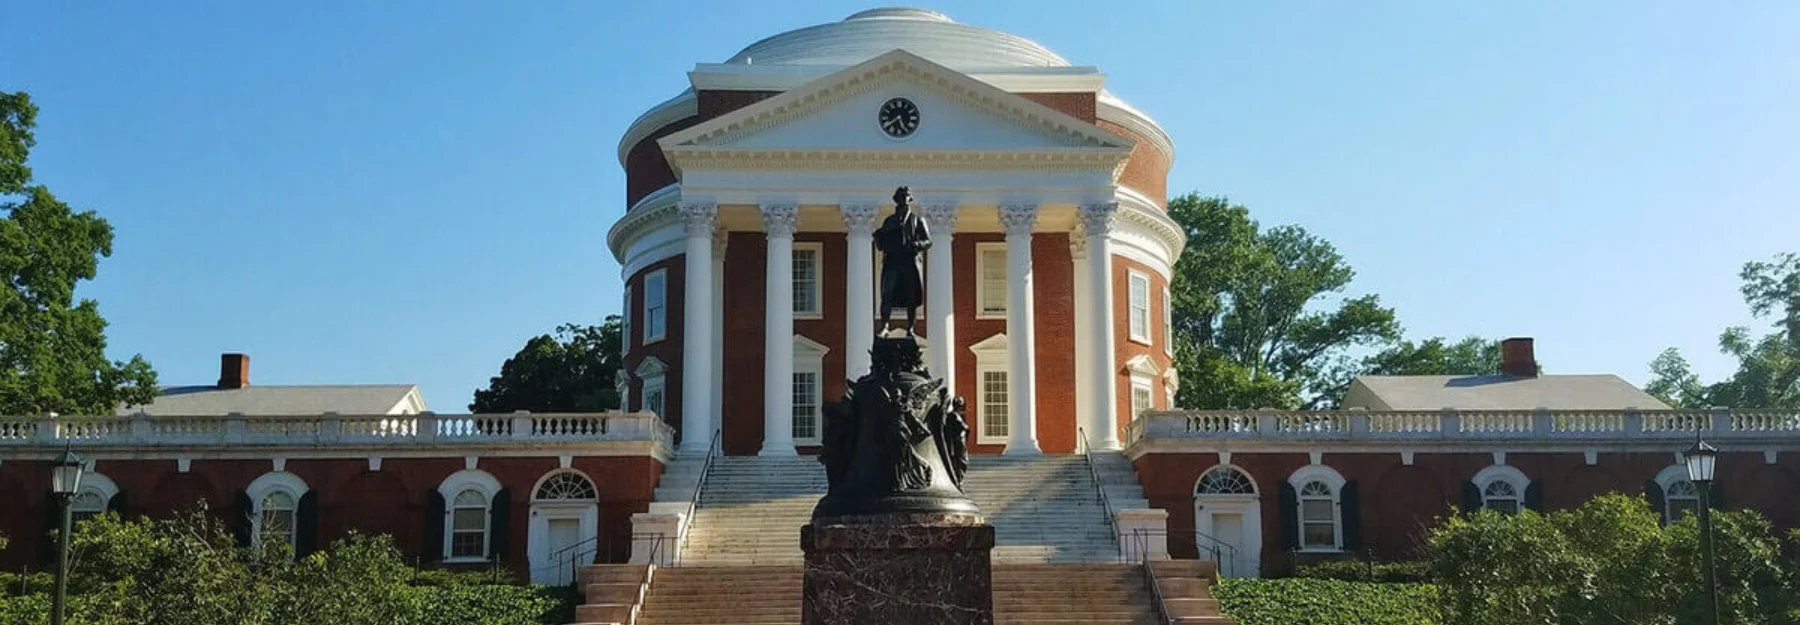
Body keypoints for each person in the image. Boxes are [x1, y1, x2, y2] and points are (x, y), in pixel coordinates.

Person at [874, 186, 930, 336]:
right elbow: (881, 245)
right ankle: (885, 326)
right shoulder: (890, 221)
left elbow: (928, 241)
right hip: (893, 261)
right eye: (900, 195)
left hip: (909, 261)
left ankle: (910, 329)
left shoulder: (917, 220)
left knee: (911, 296)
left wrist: (916, 245)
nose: (903, 198)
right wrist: (879, 237)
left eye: (906, 195)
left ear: (910, 198)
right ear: (896, 199)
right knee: (887, 294)